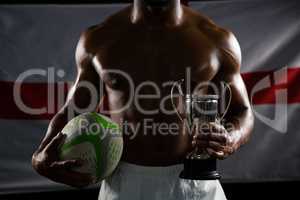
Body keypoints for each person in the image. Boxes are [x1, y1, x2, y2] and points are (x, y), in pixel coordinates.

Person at [32, 0, 254, 199]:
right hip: (123, 182)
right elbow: (74, 110)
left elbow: (242, 110)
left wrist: (231, 137)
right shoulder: (99, 39)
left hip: (196, 181)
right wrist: (40, 156)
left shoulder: (217, 40)